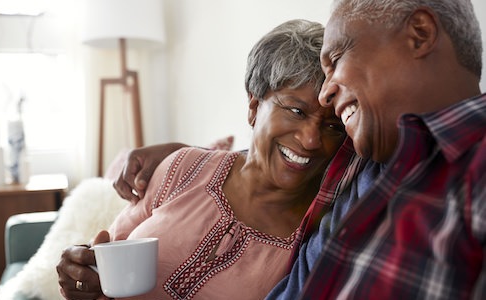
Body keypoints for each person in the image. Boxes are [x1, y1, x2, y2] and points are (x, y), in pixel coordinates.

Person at [115, 0, 486, 299]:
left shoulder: (470, 170)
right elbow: (258, 160)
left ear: (419, 34)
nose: (326, 92)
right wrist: (179, 157)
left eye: (336, 58)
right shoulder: (362, 165)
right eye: (297, 109)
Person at [56, 19, 347, 300]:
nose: (311, 140)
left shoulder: (318, 236)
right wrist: (81, 276)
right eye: (296, 111)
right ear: (254, 106)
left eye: (332, 126)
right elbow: (105, 255)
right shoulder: (182, 166)